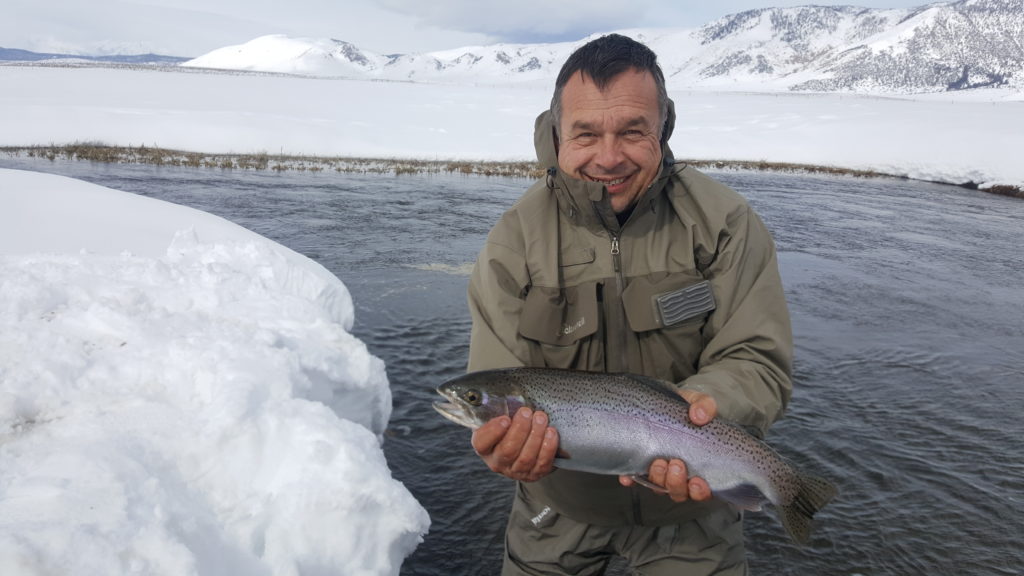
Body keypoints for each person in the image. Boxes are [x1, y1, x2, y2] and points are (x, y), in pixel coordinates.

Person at [465, 34, 793, 575]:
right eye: (586, 133)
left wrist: (703, 408)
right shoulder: (514, 243)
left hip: (693, 503)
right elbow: (493, 377)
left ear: (663, 130)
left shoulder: (725, 224)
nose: (609, 156)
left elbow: (757, 359)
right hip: (557, 504)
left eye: (633, 131)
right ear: (557, 134)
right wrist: (502, 445)